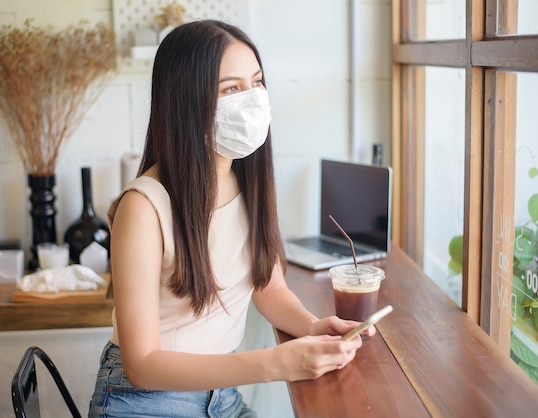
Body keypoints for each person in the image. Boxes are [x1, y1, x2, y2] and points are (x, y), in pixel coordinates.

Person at [88, 19, 374, 418]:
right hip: (143, 401)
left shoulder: (247, 183)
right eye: (232, 89)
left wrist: (313, 327)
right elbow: (142, 364)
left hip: (220, 396)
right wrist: (275, 363)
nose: (254, 99)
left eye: (257, 82)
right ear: (186, 102)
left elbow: (269, 288)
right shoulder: (143, 207)